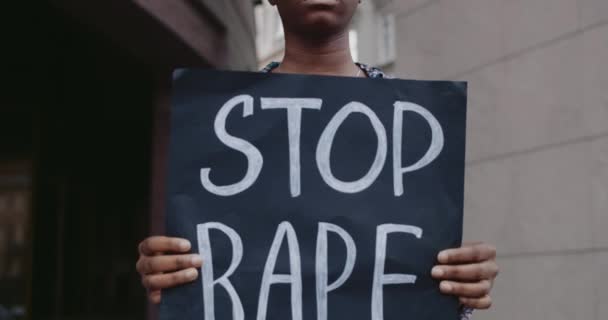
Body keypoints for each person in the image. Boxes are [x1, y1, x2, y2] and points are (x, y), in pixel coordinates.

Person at [136, 1, 499, 319]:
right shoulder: (222, 121)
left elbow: (424, 267)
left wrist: (459, 286)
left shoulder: (416, 124)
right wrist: (172, 274)